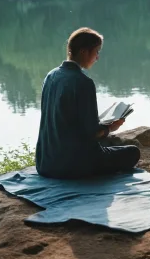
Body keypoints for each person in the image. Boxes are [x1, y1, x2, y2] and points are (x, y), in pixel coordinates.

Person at [35, 27, 140, 179]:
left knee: (110, 146)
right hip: (73, 166)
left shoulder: (51, 76)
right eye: (96, 51)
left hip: (45, 163)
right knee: (132, 152)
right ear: (84, 52)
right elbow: (92, 133)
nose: (97, 57)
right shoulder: (83, 82)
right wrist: (110, 127)